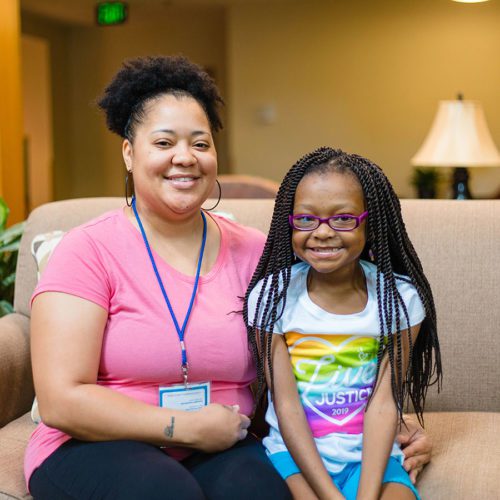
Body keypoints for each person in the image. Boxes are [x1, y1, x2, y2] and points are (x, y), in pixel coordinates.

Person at [25, 56, 431, 499]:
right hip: (97, 445)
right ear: (128, 152)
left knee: (263, 492)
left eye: (200, 144)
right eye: (164, 142)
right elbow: (61, 400)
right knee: (163, 491)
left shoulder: (257, 251)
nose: (185, 157)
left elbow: (322, 346)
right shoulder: (87, 250)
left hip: (222, 444)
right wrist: (184, 426)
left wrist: (376, 434)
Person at [246, 147, 442, 500]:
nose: (322, 232)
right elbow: (287, 407)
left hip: (372, 459)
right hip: (294, 457)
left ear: (371, 222)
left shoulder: (399, 299)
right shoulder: (271, 296)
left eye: (343, 218)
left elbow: (384, 405)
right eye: (306, 219)